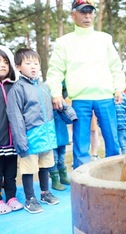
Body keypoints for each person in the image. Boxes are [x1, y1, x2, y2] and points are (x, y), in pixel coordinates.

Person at [46, 0, 126, 169]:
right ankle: (82, 180)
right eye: (83, 12)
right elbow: (55, 71)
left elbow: (115, 66)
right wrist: (56, 93)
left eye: (90, 11)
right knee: (81, 143)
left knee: (112, 140)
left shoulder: (105, 39)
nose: (87, 15)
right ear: (73, 14)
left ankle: (114, 174)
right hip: (80, 99)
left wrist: (119, 87)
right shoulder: (63, 42)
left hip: (105, 97)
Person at [6, 48, 59, 214]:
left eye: (36, 63)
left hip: (47, 135)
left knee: (45, 165)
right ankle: (30, 198)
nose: (33, 67)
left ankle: (45, 193)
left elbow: (54, 106)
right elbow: (15, 116)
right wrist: (21, 141)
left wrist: (70, 114)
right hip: (29, 136)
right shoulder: (18, 88)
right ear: (18, 66)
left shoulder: (44, 87)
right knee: (29, 169)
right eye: (28, 63)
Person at [0, 47, 23, 214]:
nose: (2, 65)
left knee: (10, 172)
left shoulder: (15, 87)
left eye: (5, 62)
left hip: (12, 140)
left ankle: (11, 197)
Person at [49, 84, 78, 191]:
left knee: (61, 158)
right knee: (54, 159)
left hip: (62, 137)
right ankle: (55, 180)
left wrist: (63, 110)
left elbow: (69, 119)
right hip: (52, 139)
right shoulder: (48, 109)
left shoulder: (61, 108)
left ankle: (63, 176)